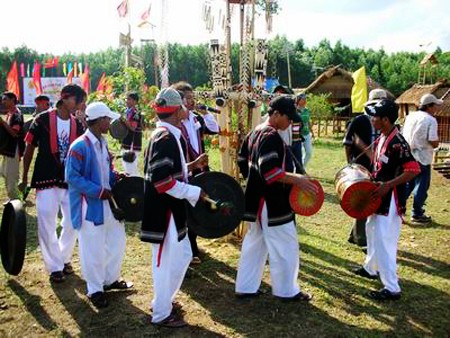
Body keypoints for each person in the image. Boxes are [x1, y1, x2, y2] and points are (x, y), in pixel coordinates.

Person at [235, 96, 317, 302]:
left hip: (256, 200)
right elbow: (270, 172)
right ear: (277, 114)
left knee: (255, 243)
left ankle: (246, 286)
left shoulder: (255, 132)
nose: (291, 122)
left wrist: (253, 181)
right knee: (285, 245)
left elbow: (242, 160)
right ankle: (286, 291)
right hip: (272, 202)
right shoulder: (271, 136)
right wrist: (297, 179)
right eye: (289, 118)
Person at [140, 88, 207, 328]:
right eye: (183, 107)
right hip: (163, 211)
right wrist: (194, 192)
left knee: (183, 255)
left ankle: (164, 301)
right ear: (177, 110)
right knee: (164, 262)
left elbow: (169, 172)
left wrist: (190, 166)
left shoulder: (167, 134)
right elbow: (162, 182)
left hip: (172, 209)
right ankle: (160, 313)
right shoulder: (165, 138)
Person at [65, 102, 133, 309]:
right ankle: (95, 289)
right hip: (90, 205)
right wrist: (98, 190)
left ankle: (110, 280)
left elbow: (106, 170)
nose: (110, 123)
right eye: (107, 119)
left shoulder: (102, 143)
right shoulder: (79, 146)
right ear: (100, 120)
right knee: (92, 248)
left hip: (109, 202)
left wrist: (115, 176)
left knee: (117, 241)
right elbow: (72, 177)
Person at [353, 99, 420, 300]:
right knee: (371, 232)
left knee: (385, 242)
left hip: (390, 200)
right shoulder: (383, 137)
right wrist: (363, 148)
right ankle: (371, 268)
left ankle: (392, 287)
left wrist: (389, 185)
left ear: (385, 119)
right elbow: (380, 161)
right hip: (378, 196)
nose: (372, 120)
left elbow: (413, 170)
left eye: (375, 117)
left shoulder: (398, 142)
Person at [20, 85, 86, 283]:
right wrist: (24, 177)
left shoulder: (78, 124)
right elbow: (29, 147)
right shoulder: (42, 120)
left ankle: (63, 257)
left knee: (74, 221)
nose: (81, 104)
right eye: (79, 100)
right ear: (65, 98)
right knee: (47, 222)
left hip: (69, 181)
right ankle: (54, 267)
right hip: (45, 178)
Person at [171, 81, 219, 264]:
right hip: (184, 168)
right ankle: (188, 249)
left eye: (192, 98)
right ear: (179, 101)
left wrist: (207, 113)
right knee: (184, 208)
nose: (192, 101)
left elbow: (214, 129)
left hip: (198, 167)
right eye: (188, 98)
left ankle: (193, 245)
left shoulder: (196, 118)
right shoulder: (175, 122)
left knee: (196, 205)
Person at [343, 89, 385, 247]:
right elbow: (348, 143)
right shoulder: (359, 120)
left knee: (369, 199)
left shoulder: (384, 121)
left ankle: (355, 234)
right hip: (361, 166)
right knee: (361, 199)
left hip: (378, 166)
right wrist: (350, 164)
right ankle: (360, 236)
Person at [402, 93, 441, 224]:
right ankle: (417, 213)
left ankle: (399, 208)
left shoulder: (410, 116)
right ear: (429, 106)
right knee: (422, 185)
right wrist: (437, 144)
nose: (436, 108)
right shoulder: (431, 120)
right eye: (435, 105)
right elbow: (432, 140)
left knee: (408, 183)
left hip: (408, 155)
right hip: (423, 156)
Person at [0, 92, 24, 200]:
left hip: (14, 149)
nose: (3, 101)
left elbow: (14, 133)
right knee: (4, 172)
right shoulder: (10, 113)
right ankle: (20, 190)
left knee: (10, 177)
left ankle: (15, 201)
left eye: (5, 99)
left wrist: (2, 122)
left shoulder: (17, 114)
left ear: (12, 100)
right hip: (8, 150)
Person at [121, 92, 142, 176]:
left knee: (130, 167)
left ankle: (135, 185)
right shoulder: (127, 111)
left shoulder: (135, 113)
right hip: (127, 141)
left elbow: (133, 128)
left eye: (129, 99)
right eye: (127, 99)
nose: (127, 101)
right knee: (127, 166)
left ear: (135, 102)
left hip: (132, 143)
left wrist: (123, 120)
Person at [296, 93, 314, 168]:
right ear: (298, 100)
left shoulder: (307, 110)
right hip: (298, 135)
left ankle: (302, 167)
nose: (305, 101)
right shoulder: (295, 110)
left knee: (309, 153)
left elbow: (308, 122)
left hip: (307, 134)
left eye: (306, 99)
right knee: (298, 154)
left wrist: (312, 132)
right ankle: (299, 169)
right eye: (303, 99)